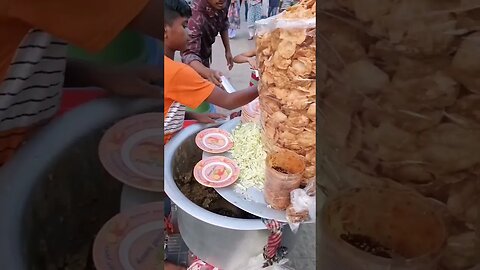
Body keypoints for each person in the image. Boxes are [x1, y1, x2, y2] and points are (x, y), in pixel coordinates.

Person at [165, 0, 258, 145]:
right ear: (164, 31)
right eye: (184, 26)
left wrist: (192, 115)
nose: (189, 31)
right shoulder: (178, 73)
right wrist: (266, 85)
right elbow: (229, 101)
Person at [181, 0, 233, 86]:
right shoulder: (196, 14)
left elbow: (223, 22)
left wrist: (227, 50)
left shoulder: (223, 2)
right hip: (195, 57)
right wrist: (208, 73)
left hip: (207, 48)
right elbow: (189, 54)